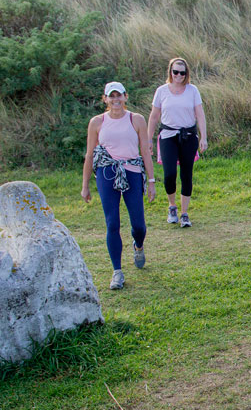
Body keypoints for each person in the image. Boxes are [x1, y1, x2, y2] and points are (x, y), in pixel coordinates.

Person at [82, 82, 156, 290]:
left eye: (119, 95)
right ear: (105, 99)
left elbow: (145, 151)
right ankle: (117, 272)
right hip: (107, 173)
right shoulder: (97, 122)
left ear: (125, 97)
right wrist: (85, 185)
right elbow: (90, 154)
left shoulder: (136, 120)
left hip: (131, 172)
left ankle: (138, 245)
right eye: (111, 96)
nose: (115, 100)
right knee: (112, 223)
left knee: (138, 225)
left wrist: (151, 181)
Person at [147, 57, 208, 228]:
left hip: (188, 135)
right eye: (176, 72)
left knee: (186, 174)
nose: (179, 76)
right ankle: (171, 206)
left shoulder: (192, 90)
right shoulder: (162, 91)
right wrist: (148, 139)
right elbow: (153, 116)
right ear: (170, 72)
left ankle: (184, 213)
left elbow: (200, 114)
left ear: (186, 73)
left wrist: (203, 137)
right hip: (168, 135)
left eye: (182, 72)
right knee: (169, 174)